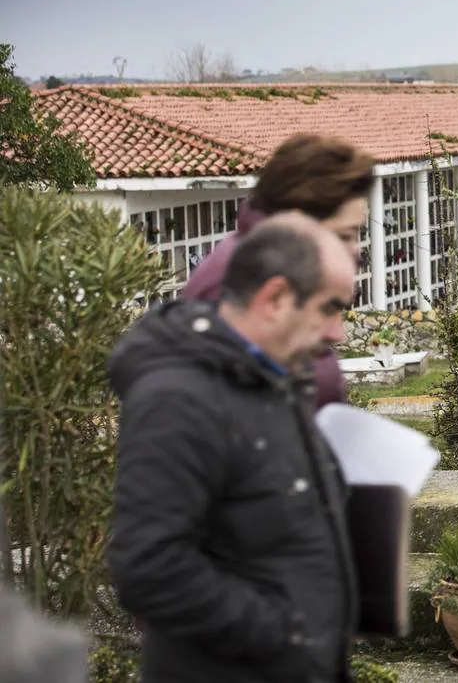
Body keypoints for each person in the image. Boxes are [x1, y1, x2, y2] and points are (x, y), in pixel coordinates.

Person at [107, 213, 359, 683]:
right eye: (329, 307)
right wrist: (284, 636)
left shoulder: (269, 377)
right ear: (276, 298)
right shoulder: (177, 399)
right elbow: (150, 568)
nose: (336, 332)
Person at [182, 133, 376, 409]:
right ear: (300, 220)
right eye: (345, 235)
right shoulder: (235, 285)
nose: (355, 252)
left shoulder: (259, 259)